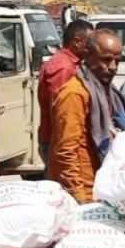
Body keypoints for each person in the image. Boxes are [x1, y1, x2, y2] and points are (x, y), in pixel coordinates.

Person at [48, 30, 125, 202]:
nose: (113, 67)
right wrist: (79, 198)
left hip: (102, 186)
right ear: (88, 56)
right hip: (83, 191)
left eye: (117, 61)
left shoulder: (106, 91)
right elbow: (66, 152)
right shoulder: (75, 94)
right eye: (106, 60)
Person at [37, 20, 94, 161]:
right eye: (89, 43)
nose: (93, 47)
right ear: (77, 42)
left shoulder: (69, 63)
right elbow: (62, 111)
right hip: (59, 141)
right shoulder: (63, 67)